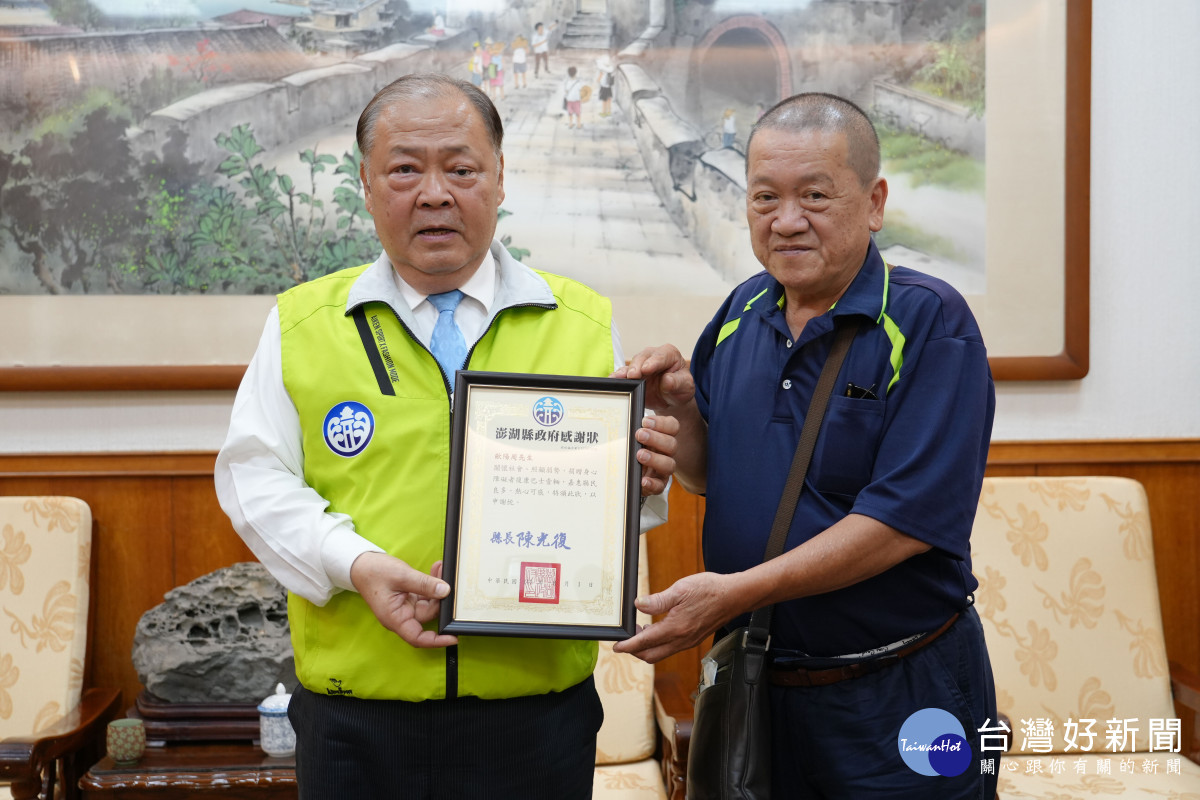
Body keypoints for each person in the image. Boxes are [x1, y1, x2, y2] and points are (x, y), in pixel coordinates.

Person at [215, 73, 678, 800]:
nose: (434, 193)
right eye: (404, 169)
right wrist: (355, 561)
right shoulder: (303, 324)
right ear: (366, 186)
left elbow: (625, 508)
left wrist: (642, 481)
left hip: (534, 719)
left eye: (461, 169)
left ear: (498, 182)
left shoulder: (580, 320)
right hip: (356, 719)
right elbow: (255, 480)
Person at [613, 92, 998, 799]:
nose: (786, 220)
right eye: (765, 197)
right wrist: (683, 411)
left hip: (901, 689)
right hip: (762, 687)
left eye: (815, 195)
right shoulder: (740, 313)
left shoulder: (929, 321)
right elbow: (709, 476)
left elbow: (900, 526)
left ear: (874, 202)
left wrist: (729, 596)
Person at [563, 65, 583, 129]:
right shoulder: (578, 82)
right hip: (577, 99)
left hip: (569, 100)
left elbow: (566, 90)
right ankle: (578, 124)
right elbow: (581, 89)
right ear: (575, 73)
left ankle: (570, 124)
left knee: (570, 113)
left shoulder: (567, 82)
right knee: (578, 113)